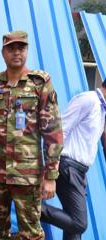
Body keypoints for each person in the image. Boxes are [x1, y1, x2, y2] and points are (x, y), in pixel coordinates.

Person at [0, 31, 63, 240]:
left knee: (30, 233)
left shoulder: (40, 83)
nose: (16, 53)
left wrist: (50, 177)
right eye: (11, 48)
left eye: (20, 48)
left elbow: (53, 132)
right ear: (3, 52)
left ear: (27, 51)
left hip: (27, 175)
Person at [41, 81, 106, 240]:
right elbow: (60, 131)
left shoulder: (101, 109)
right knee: (79, 222)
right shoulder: (88, 100)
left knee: (72, 227)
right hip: (67, 166)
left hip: (80, 171)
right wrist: (51, 169)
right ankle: (32, 207)